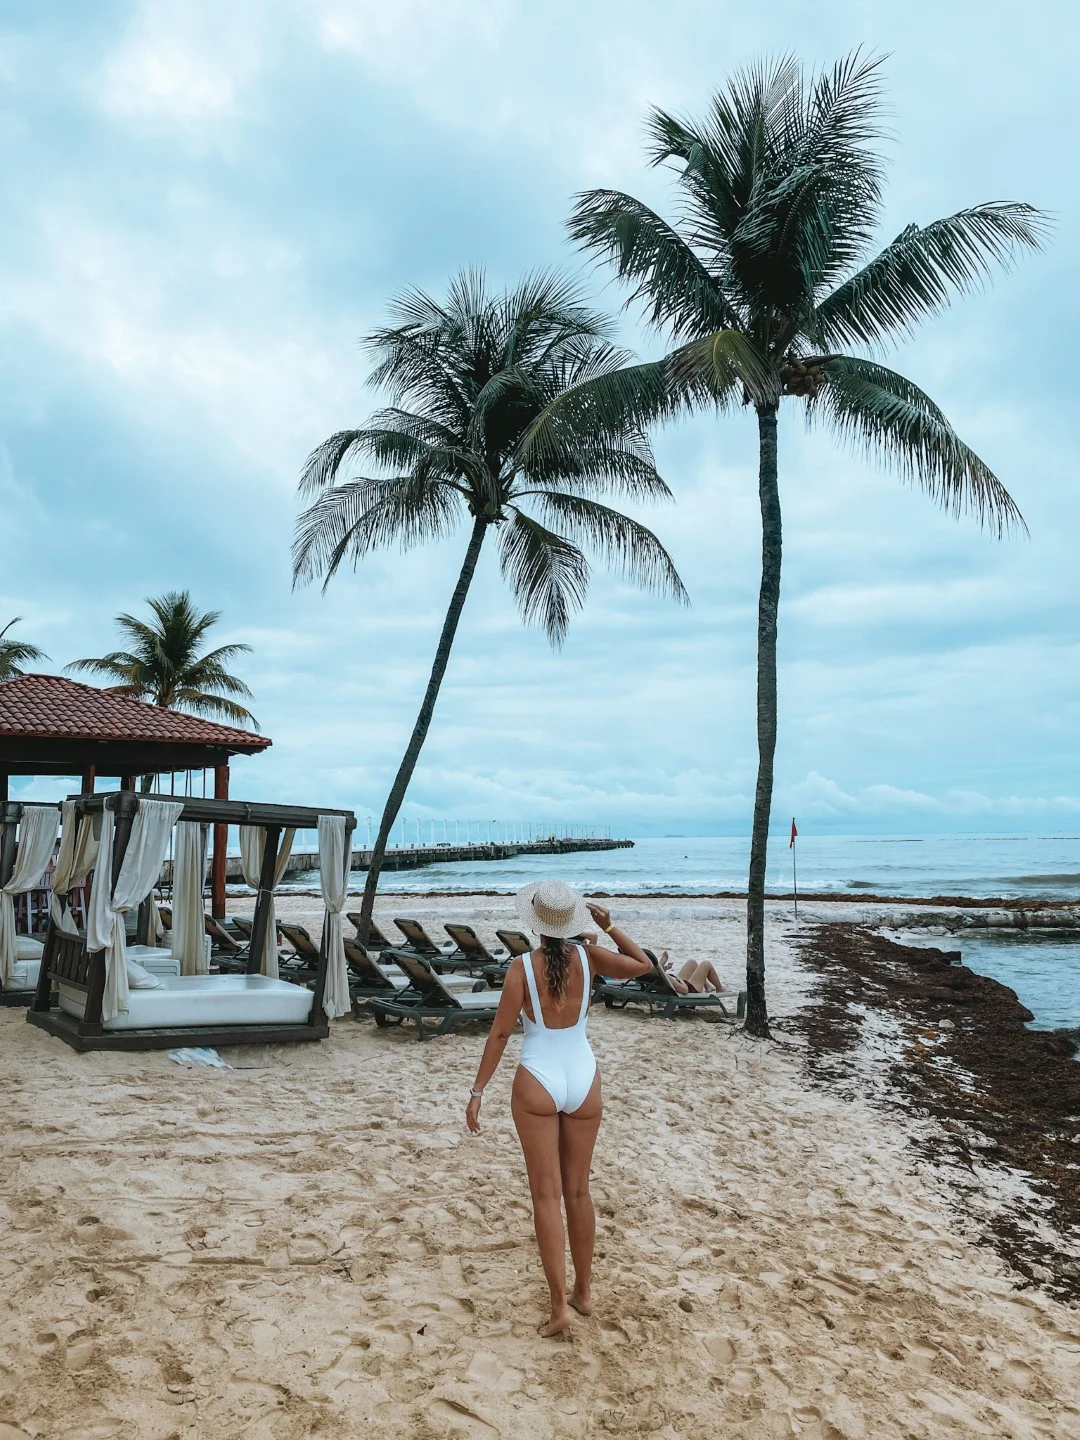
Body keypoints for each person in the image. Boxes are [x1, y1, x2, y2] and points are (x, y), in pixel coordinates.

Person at [465, 881, 652, 1336]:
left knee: (546, 1197)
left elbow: (500, 1036)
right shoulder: (590, 958)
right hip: (584, 1078)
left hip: (538, 1080)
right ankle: (584, 1292)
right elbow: (643, 966)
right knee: (579, 1193)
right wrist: (608, 926)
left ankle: (559, 1309)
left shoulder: (519, 969)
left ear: (535, 923)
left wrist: (477, 1091)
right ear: (573, 922)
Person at [658, 951, 730, 995]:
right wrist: (679, 980)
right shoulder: (669, 980)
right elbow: (684, 990)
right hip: (687, 989)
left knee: (692, 962)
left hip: (674, 983)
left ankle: (707, 986)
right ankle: (719, 989)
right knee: (706, 964)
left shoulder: (653, 974)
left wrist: (665, 969)